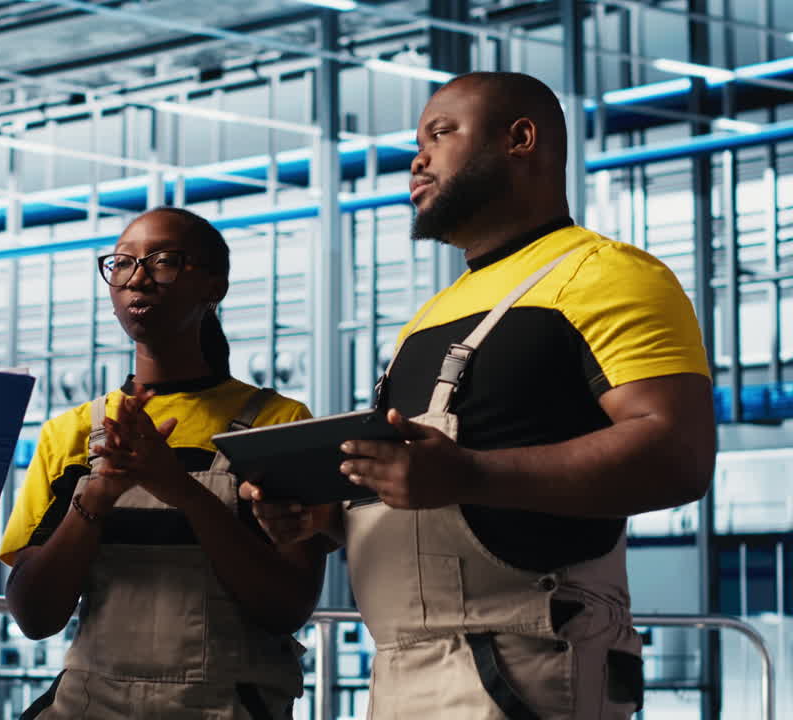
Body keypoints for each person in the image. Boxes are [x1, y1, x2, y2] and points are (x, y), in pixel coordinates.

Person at [247, 71, 715, 719]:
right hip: (401, 668)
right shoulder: (429, 318)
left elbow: (677, 453)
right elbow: (423, 495)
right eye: (417, 141)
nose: (417, 157)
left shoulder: (607, 274)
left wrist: (467, 472)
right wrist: (327, 520)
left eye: (441, 133)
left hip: (524, 668)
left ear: (520, 139)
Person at [0, 207, 327, 718]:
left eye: (165, 261)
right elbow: (34, 617)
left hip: (223, 706)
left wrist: (181, 490)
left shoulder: (279, 424)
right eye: (123, 263)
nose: (138, 278)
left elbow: (287, 606)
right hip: (88, 705)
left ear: (213, 287)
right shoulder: (71, 434)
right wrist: (96, 498)